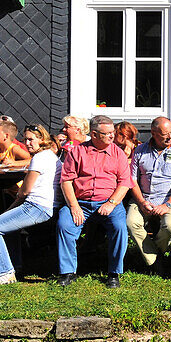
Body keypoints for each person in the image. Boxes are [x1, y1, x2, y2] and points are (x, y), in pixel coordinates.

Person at [56, 114, 131, 288]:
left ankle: (114, 273)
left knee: (119, 227)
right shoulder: (77, 152)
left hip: (109, 201)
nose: (112, 136)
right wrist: (73, 206)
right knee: (64, 224)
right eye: (107, 133)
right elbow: (66, 180)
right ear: (94, 135)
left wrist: (111, 203)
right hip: (80, 202)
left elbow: (125, 182)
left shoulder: (118, 154)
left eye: (112, 132)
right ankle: (68, 272)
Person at [0, 124, 62, 285]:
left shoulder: (39, 158)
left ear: (42, 139)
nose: (27, 143)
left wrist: (12, 203)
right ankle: (14, 266)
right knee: (8, 228)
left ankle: (4, 272)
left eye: (31, 139)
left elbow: (25, 191)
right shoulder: (50, 156)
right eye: (25, 139)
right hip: (47, 206)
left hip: (37, 207)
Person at [128, 116, 171, 273]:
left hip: (169, 199)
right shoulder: (140, 151)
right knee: (131, 223)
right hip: (143, 197)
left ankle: (152, 255)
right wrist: (142, 202)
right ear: (153, 133)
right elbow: (133, 181)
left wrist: (168, 204)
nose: (170, 137)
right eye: (165, 134)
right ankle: (156, 260)